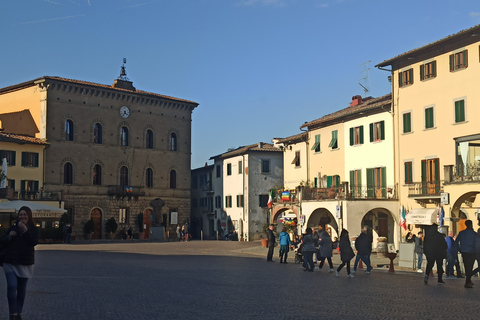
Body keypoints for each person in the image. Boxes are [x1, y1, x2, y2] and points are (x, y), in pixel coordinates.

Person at [0, 206, 39, 320]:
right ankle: (12, 314)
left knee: (21, 289)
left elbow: (34, 242)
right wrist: (9, 237)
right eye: (21, 214)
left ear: (29, 216)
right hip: (9, 261)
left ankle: (19, 314)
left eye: (25, 214)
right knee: (12, 286)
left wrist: (25, 231)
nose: (22, 216)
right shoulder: (12, 228)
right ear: (18, 216)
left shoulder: (33, 229)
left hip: (25, 262)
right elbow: (2, 240)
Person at [456, 219, 480, 288]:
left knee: (467, 266)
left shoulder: (461, 233)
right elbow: (477, 244)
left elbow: (456, 242)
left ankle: (468, 281)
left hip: (464, 252)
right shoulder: (475, 234)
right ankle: (467, 281)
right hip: (472, 252)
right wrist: (476, 251)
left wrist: (459, 249)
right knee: (470, 267)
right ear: (471, 225)